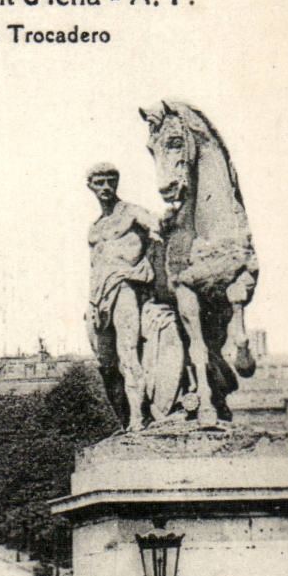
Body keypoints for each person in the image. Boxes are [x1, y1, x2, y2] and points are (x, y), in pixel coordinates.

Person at [84, 162, 167, 431]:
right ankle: (123, 420)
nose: (106, 187)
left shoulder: (131, 212)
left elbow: (158, 227)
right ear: (91, 186)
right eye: (100, 182)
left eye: (110, 180)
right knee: (106, 364)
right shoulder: (95, 227)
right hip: (99, 297)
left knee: (128, 353)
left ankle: (137, 419)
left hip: (125, 288)